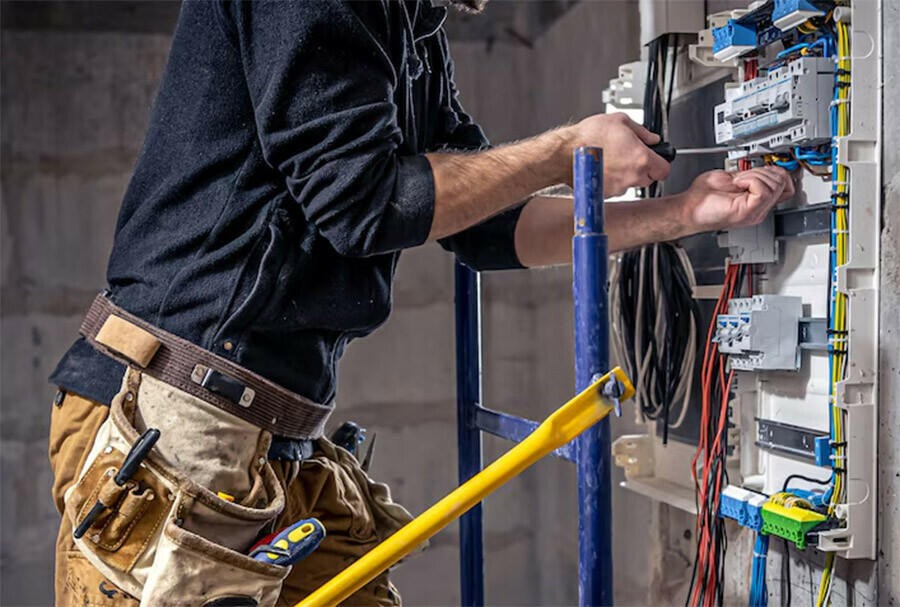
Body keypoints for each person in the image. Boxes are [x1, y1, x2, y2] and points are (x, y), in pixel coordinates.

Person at [47, 1, 794, 605]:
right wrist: (568, 149)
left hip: (267, 431)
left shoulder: (414, 30)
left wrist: (686, 214)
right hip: (176, 420)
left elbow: (490, 227)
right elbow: (365, 202)